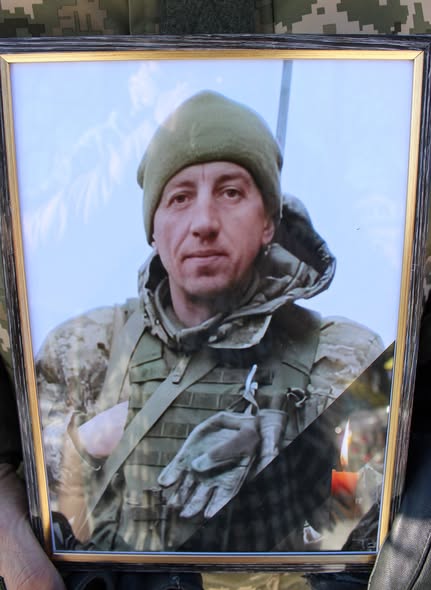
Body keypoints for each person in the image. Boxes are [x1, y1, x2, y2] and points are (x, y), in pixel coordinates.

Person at [37, 90, 384, 556]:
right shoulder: (83, 351)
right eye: (180, 198)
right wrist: (83, 447)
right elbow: (27, 520)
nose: (204, 222)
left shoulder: (342, 358)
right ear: (154, 230)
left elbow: (375, 540)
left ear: (268, 222)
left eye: (231, 192)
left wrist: (293, 473)